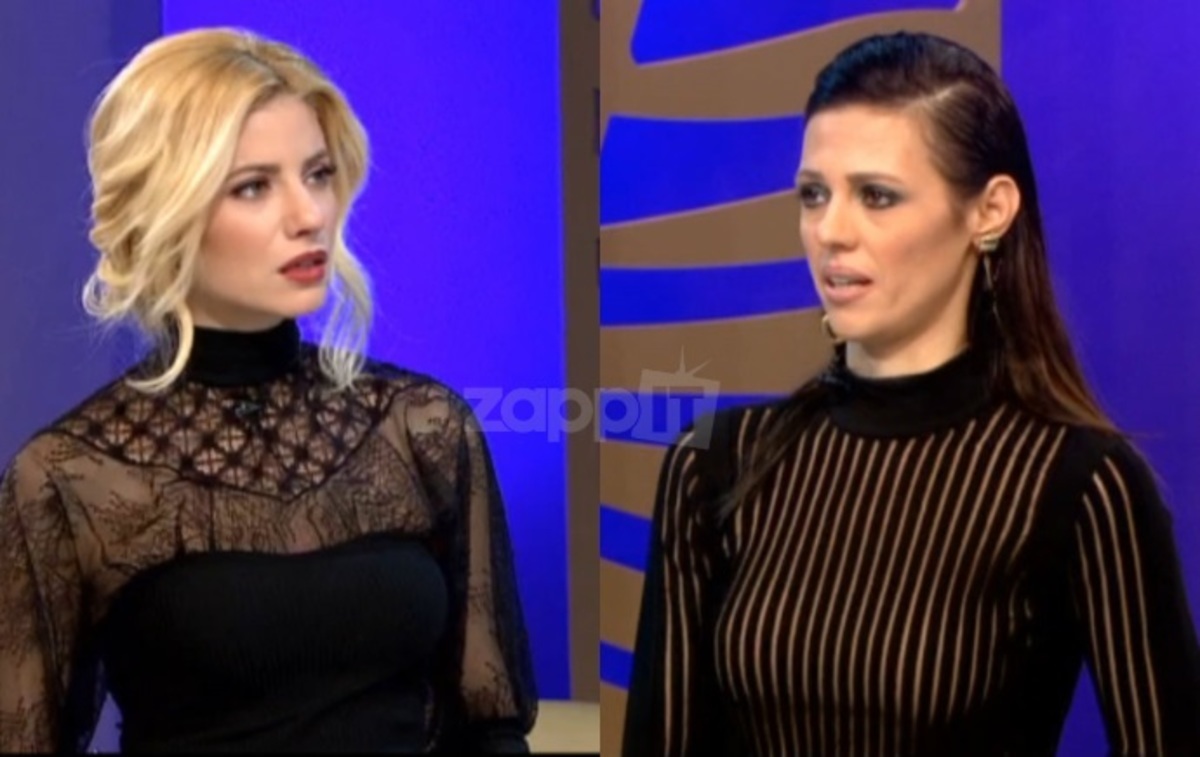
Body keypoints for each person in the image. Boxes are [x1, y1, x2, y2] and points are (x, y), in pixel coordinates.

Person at [623, 30, 1200, 757]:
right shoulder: (716, 465)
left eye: (877, 196)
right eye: (813, 194)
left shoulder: (1082, 483)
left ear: (990, 211)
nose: (830, 231)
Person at [0, 27, 537, 753]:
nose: (308, 215)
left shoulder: (424, 426)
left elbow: (491, 726)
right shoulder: (68, 477)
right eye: (254, 186)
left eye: (317, 174)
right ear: (165, 211)